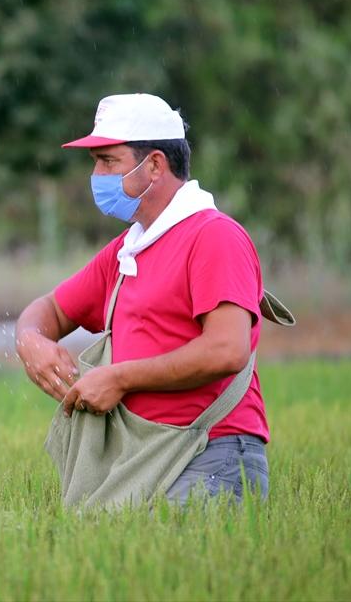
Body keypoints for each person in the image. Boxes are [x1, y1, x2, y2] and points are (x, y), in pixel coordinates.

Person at [15, 92, 269, 503]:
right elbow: (49, 311)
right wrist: (31, 342)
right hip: (141, 457)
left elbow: (227, 350)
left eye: (108, 161)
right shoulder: (126, 251)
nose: (97, 175)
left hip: (209, 453)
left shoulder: (213, 236)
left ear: (154, 164)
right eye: (95, 163)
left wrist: (118, 377)